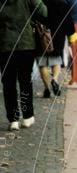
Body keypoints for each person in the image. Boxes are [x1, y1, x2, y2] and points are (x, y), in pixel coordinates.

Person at [0, 0, 48, 130]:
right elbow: (43, 12)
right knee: (25, 81)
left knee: (8, 83)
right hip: (25, 44)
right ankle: (27, 116)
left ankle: (13, 119)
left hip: (4, 45)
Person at [38, 0, 75, 98]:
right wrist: (71, 37)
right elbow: (69, 22)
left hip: (42, 37)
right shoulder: (62, 3)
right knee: (56, 61)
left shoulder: (39, 2)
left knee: (42, 63)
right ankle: (54, 79)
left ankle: (47, 89)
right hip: (57, 37)